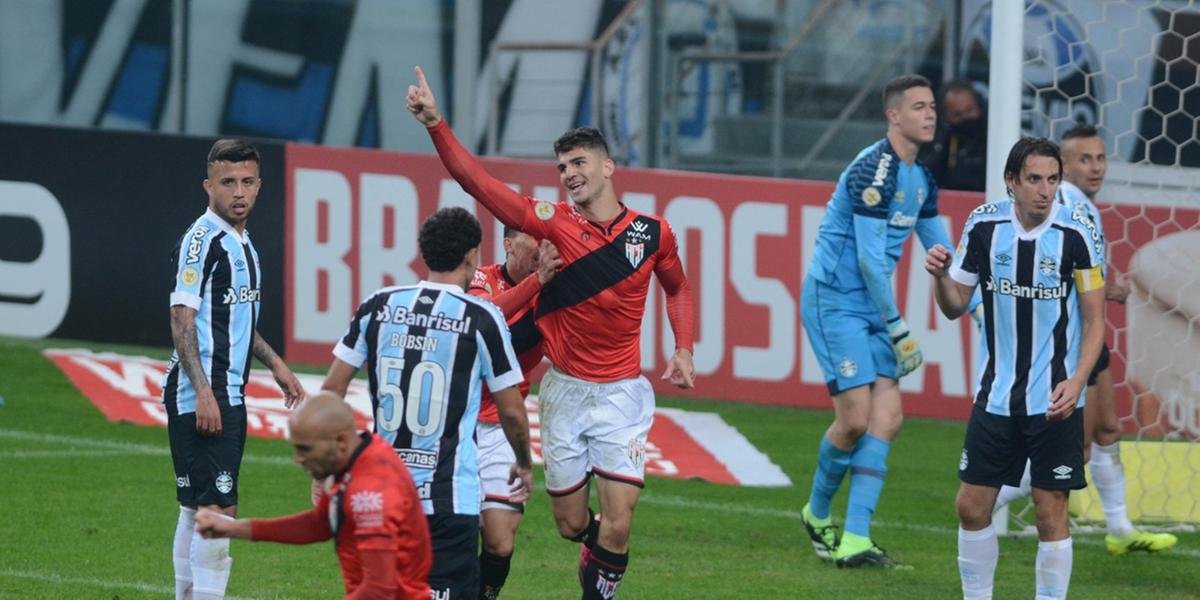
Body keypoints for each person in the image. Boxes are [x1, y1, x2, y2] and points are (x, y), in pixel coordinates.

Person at [407, 65, 696, 599]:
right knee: (569, 524)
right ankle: (597, 553)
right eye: (562, 166)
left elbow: (677, 288)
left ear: (608, 166)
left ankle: (600, 582)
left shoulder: (654, 233)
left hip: (623, 394)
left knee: (619, 520)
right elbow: (478, 184)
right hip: (563, 393)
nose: (568, 173)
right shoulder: (552, 222)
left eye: (579, 162)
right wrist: (436, 124)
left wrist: (683, 347)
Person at [925, 137, 1107, 599]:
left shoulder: (1077, 232)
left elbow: (1095, 320)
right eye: (1034, 180)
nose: (1045, 191)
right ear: (1011, 181)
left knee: (1051, 513)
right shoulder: (984, 227)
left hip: (1055, 398)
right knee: (970, 506)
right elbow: (954, 306)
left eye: (1052, 179)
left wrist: (1077, 380)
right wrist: (941, 277)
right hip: (998, 393)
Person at [321, 207, 534, 600]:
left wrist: (325, 470)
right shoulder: (482, 318)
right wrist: (523, 461)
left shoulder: (377, 305)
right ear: (472, 255)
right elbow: (511, 411)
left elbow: (330, 393)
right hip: (449, 500)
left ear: (424, 253)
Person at [991, 124, 1177, 555]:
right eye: (1083, 160)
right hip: (1069, 343)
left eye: (1100, 158)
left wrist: (1104, 289)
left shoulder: (1082, 207)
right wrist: (1107, 290)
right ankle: (986, 496)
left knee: (1109, 429)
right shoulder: (1065, 208)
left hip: (1090, 336)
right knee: (1080, 447)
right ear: (1065, 167)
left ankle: (1120, 528)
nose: (1094, 168)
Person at [798, 74, 951, 569]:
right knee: (855, 419)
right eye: (919, 107)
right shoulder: (872, 171)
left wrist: (980, 302)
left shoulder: (921, 179)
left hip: (873, 308)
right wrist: (899, 327)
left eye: (932, 106)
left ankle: (856, 539)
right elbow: (867, 261)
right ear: (894, 116)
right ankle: (817, 512)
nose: (930, 114)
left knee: (888, 419)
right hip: (836, 300)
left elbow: (944, 252)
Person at [164, 138, 306, 600]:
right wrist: (203, 392)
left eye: (247, 182)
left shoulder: (242, 242)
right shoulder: (202, 240)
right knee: (219, 508)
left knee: (195, 508)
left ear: (259, 186)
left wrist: (276, 363)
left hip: (222, 389)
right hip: (207, 393)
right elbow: (182, 319)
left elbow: (235, 321)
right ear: (209, 186)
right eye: (228, 183)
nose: (238, 192)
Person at [193, 392, 432, 599]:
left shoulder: (369, 492)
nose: (298, 459)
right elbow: (318, 524)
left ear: (339, 440)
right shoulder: (359, 456)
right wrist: (230, 528)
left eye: (305, 448)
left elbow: (380, 590)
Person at [467, 228, 562, 600]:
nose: (543, 250)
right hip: (461, 422)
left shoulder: (552, 294)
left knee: (500, 541)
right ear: (508, 244)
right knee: (452, 532)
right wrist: (537, 282)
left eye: (547, 243)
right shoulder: (483, 279)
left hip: (505, 427)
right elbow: (484, 316)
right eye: (534, 243)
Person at [920, 79, 988, 192]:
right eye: (957, 114)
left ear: (979, 106)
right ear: (944, 117)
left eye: (970, 110)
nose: (966, 118)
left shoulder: (995, 139)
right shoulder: (936, 141)